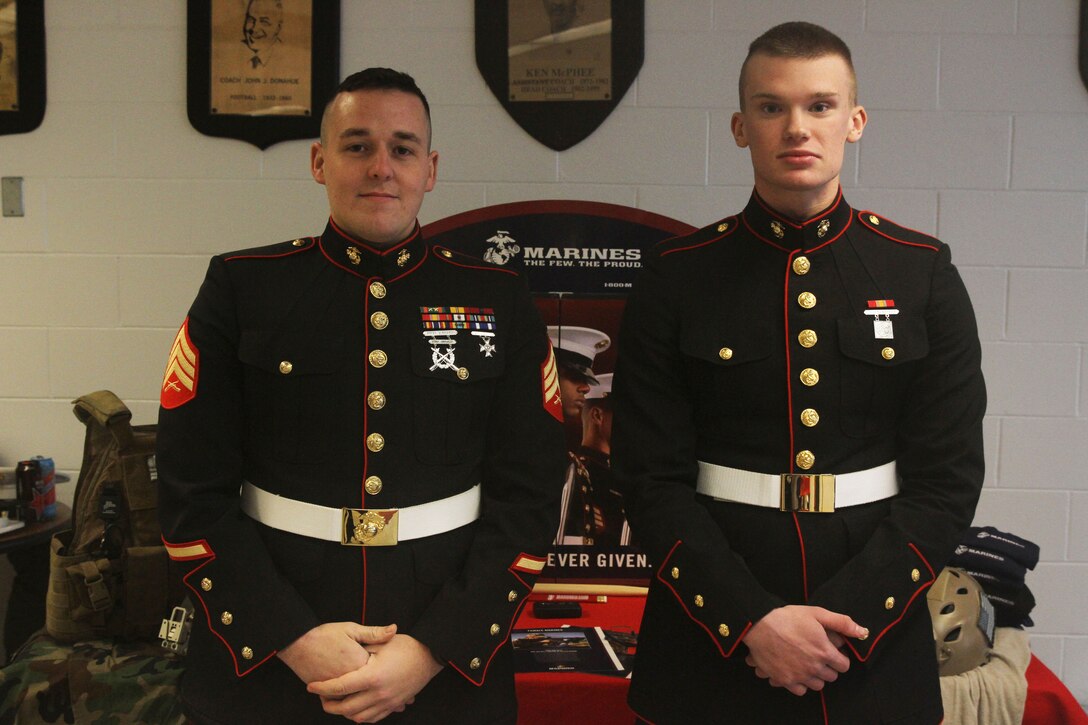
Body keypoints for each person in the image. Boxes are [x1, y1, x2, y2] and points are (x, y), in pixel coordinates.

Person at [156, 67, 567, 724]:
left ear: (430, 169)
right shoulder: (243, 288)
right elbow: (189, 493)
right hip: (269, 664)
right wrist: (290, 637)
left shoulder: (499, 300)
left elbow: (529, 499)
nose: (382, 167)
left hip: (446, 666)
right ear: (320, 161)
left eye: (402, 148)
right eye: (357, 145)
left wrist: (432, 649)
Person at [611, 22, 986, 724]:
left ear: (855, 121)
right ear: (739, 125)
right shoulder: (678, 277)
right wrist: (752, 620)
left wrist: (840, 622)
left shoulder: (919, 272)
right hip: (711, 640)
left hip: (871, 643)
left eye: (819, 105)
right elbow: (648, 477)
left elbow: (947, 480)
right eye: (771, 106)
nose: (796, 127)